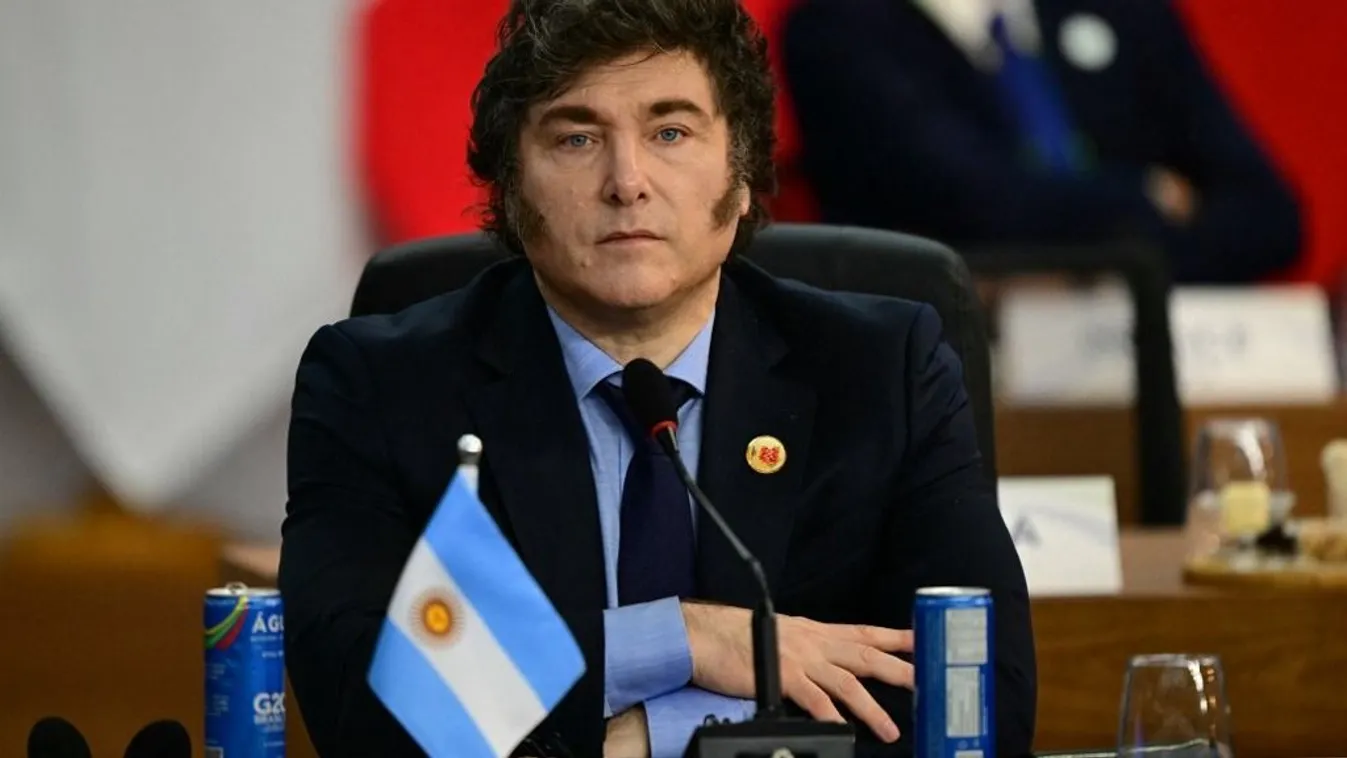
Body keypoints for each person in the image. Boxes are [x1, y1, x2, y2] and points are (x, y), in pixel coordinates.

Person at [279, 0, 1036, 756]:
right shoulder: (380, 385)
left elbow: (976, 700)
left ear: (742, 175)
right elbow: (363, 706)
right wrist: (680, 638)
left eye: (670, 132)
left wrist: (654, 738)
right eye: (577, 138)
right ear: (510, 187)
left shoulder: (879, 372)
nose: (627, 181)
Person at [781, 0, 1302, 284]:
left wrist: (1113, 277)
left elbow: (1269, 215)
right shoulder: (838, 29)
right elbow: (975, 202)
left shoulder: (1124, 13)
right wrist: (1149, 196)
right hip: (951, 374)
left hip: (1155, 355)